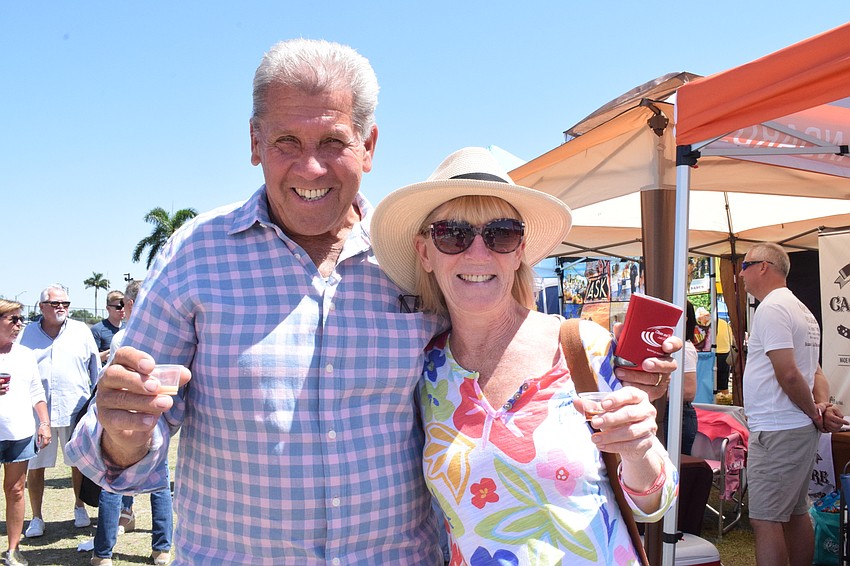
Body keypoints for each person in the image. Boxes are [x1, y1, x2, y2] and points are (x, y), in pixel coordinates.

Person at [66, 40, 680, 564]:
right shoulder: (195, 255)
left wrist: (635, 379)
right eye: (285, 139)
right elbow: (117, 439)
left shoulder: (409, 269)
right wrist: (123, 430)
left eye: (332, 141)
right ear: (253, 142)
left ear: (369, 145)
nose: (310, 166)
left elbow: (511, 351)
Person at [370, 147, 678, 564]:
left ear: (519, 251)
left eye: (501, 234)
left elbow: (654, 504)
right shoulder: (425, 373)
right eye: (452, 234)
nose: (478, 253)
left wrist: (639, 450)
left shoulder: (583, 348)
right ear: (425, 252)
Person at [739, 242, 828, 566]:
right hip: (791, 427)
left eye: (745, 266)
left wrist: (814, 411)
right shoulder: (800, 308)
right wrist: (819, 407)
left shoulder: (773, 308)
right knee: (793, 512)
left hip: (778, 428)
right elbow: (815, 372)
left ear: (764, 267)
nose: (741, 274)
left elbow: (790, 374)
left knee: (766, 519)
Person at [88, 279, 172, 566]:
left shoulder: (123, 337)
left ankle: (103, 553)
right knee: (158, 484)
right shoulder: (153, 335)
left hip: (130, 422)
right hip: (150, 420)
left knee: (113, 483)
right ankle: (160, 548)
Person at [19, 284, 99, 538]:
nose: (61, 308)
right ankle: (36, 517)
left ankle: (79, 507)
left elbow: (95, 369)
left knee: (78, 462)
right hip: (37, 413)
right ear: (42, 307)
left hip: (75, 409)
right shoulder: (26, 334)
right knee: (35, 465)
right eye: (55, 304)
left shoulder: (81, 332)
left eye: (65, 303)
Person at [0, 300, 51, 566]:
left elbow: (36, 392)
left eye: (21, 319)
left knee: (16, 490)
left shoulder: (25, 355)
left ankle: (13, 549)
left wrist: (44, 422)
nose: (20, 325)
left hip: (19, 432)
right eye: (13, 320)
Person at [90, 291, 125, 366]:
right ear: (108, 308)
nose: (122, 310)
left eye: (124, 306)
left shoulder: (128, 329)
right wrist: (112, 351)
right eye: (118, 307)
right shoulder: (97, 330)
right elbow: (91, 359)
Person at [714, 316, 733, 394]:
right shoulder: (724, 323)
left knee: (712, 380)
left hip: (713, 353)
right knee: (723, 383)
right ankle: (724, 399)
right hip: (725, 352)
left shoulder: (711, 323)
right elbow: (731, 338)